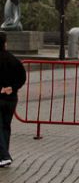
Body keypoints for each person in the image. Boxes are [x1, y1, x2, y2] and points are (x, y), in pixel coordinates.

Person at [0, 31, 26, 167]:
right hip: (11, 99)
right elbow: (22, 77)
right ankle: (4, 156)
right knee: (5, 126)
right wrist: (12, 88)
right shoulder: (14, 59)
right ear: (5, 43)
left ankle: (4, 155)